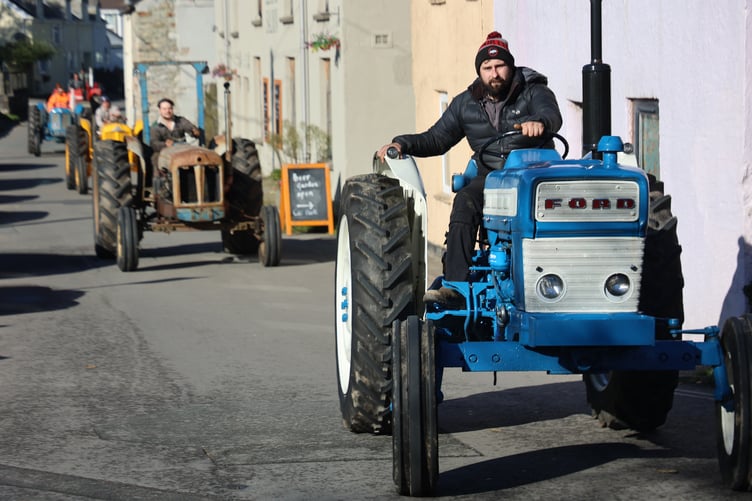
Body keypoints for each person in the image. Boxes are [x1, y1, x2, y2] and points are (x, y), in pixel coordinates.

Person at [377, 31, 563, 307]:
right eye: (487, 68)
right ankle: (456, 287)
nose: (494, 73)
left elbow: (551, 115)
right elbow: (436, 138)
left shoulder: (534, 91)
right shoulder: (466, 103)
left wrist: (539, 122)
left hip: (533, 174)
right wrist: (402, 143)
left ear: (510, 67)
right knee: (465, 201)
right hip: (492, 178)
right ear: (480, 71)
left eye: (500, 66)